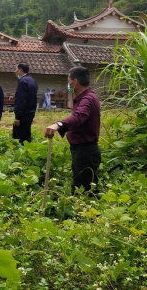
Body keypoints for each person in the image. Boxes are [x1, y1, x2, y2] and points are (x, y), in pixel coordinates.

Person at [44, 66, 101, 196]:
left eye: (68, 80)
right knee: (83, 186)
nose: (68, 84)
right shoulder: (84, 98)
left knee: (84, 190)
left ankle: (87, 214)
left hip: (86, 151)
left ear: (75, 82)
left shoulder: (88, 99)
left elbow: (78, 117)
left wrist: (58, 124)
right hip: (82, 150)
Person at [13, 62, 38, 144]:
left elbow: (21, 100)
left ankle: (23, 154)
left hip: (23, 113)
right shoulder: (32, 80)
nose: (15, 71)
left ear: (20, 70)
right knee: (27, 134)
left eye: (16, 69)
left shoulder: (23, 81)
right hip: (30, 112)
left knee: (22, 138)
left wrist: (18, 116)